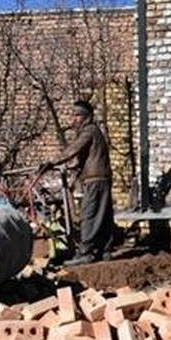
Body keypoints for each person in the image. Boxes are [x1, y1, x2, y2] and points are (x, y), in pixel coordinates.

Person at [40, 100, 113, 265]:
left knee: (89, 214)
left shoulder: (89, 131)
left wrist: (52, 162)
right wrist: (71, 170)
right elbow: (83, 158)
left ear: (85, 116)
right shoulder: (94, 131)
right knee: (103, 214)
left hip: (95, 179)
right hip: (101, 177)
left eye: (77, 115)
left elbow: (74, 149)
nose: (74, 119)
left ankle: (86, 253)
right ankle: (105, 251)